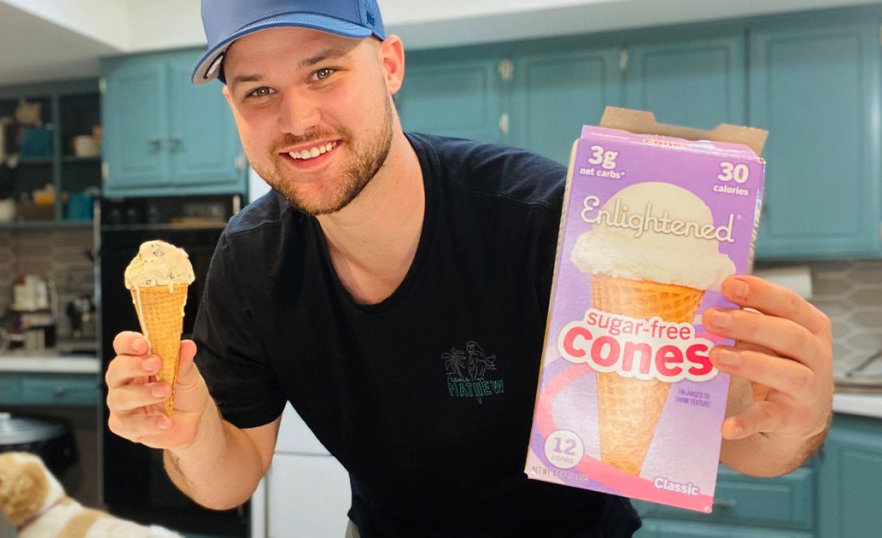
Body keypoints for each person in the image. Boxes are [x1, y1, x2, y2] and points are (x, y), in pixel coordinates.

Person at [104, 0, 835, 535]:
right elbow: (230, 475)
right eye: (257, 90)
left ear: (388, 65)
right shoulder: (252, 260)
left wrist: (792, 415)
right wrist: (191, 432)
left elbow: (740, 446)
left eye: (324, 71)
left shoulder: (544, 220)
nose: (295, 119)